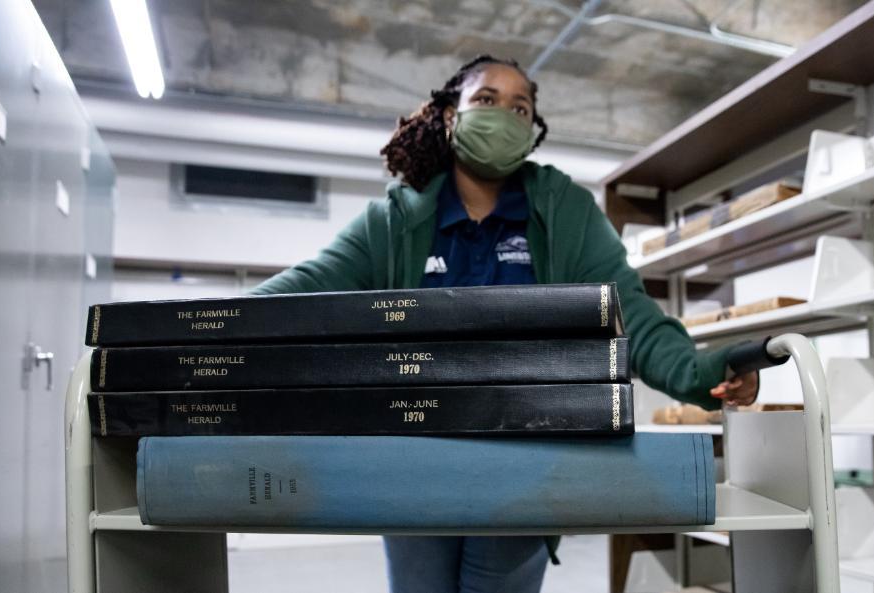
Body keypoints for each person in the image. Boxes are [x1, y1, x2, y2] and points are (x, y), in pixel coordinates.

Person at [251, 54, 758, 593]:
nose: (504, 116)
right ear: (450, 115)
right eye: (486, 101)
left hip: (527, 461)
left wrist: (700, 372)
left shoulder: (564, 212)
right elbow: (311, 284)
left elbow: (629, 314)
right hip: (415, 460)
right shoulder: (396, 220)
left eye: (521, 108)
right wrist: (195, 330)